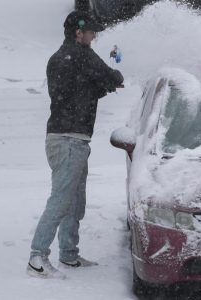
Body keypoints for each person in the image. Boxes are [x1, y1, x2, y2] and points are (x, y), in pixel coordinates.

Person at [27, 10, 124, 278]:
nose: (94, 36)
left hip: (71, 139)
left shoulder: (62, 59)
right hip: (68, 140)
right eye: (91, 32)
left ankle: (69, 255)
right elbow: (108, 75)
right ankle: (37, 256)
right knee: (60, 201)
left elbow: (82, 91)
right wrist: (115, 77)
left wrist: (106, 85)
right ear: (78, 32)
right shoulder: (79, 54)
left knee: (74, 202)